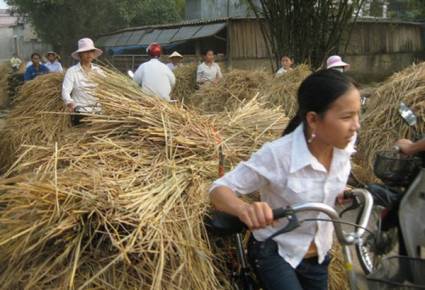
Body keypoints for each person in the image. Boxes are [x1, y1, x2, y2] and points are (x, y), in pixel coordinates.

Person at [209, 69, 361, 290]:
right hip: (277, 251)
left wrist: (335, 190)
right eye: (347, 116)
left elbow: (325, 179)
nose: (356, 125)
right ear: (313, 119)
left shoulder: (344, 143)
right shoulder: (278, 155)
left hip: (319, 254)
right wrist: (245, 210)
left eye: (358, 114)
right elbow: (218, 189)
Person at [62, 38, 103, 126]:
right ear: (80, 54)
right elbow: (65, 91)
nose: (89, 54)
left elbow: (106, 88)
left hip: (97, 111)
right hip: (80, 112)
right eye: (85, 52)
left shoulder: (98, 71)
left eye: (91, 51)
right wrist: (70, 103)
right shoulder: (72, 71)